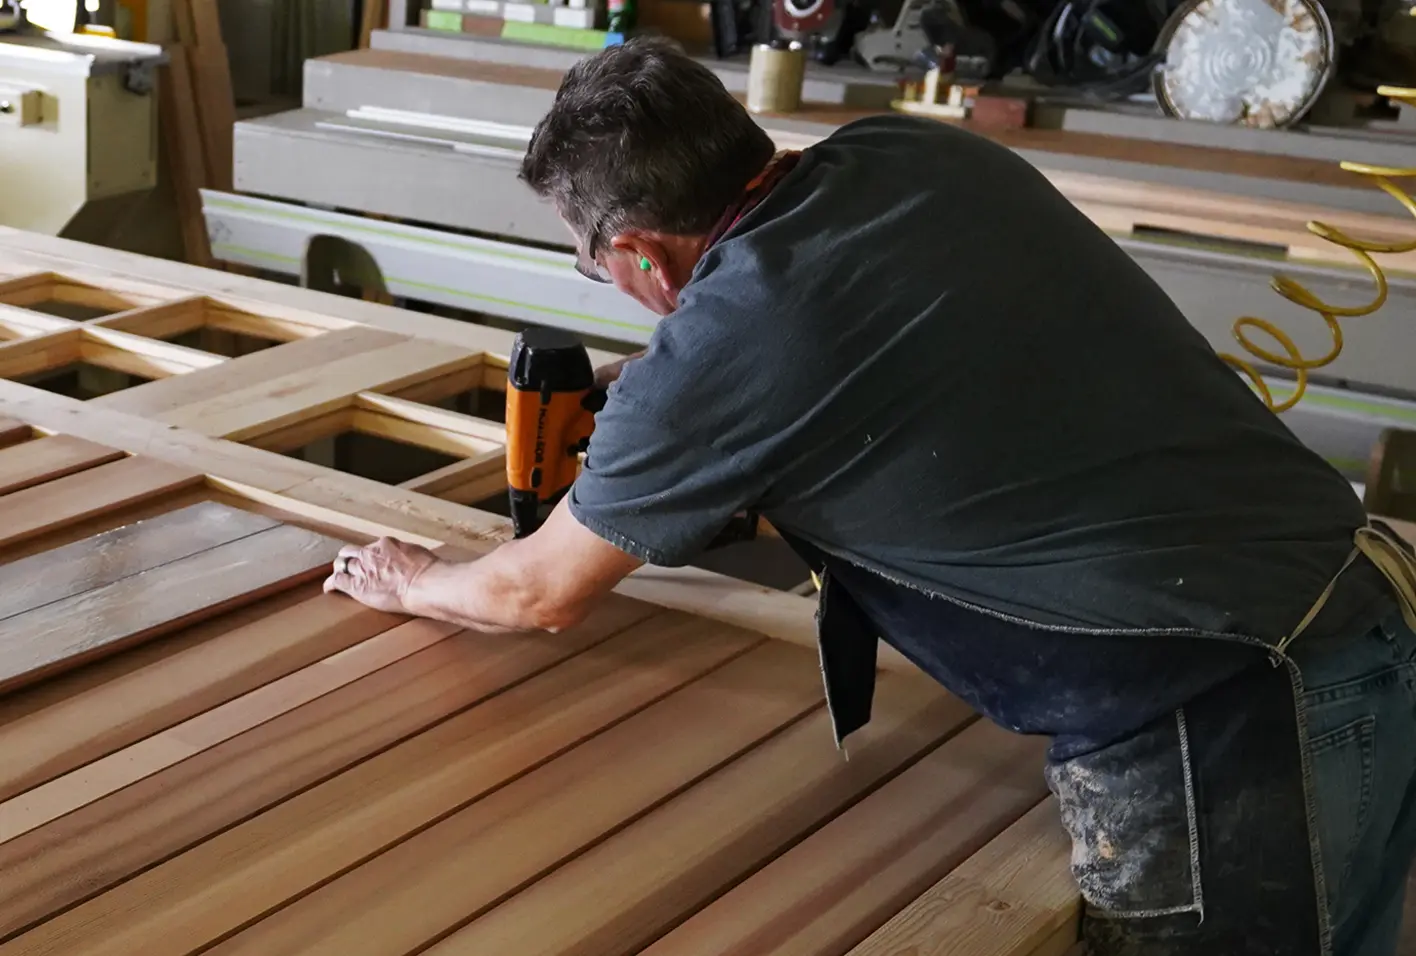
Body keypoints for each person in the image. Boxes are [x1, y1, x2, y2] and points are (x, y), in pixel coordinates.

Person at [323, 36, 1416, 956]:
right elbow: (869, 346)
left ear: (639, 255)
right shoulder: (910, 151)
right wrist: (676, 407)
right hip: (1352, 594)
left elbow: (538, 593)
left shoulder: (727, 344)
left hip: (1232, 710)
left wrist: (419, 579)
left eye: (592, 266)